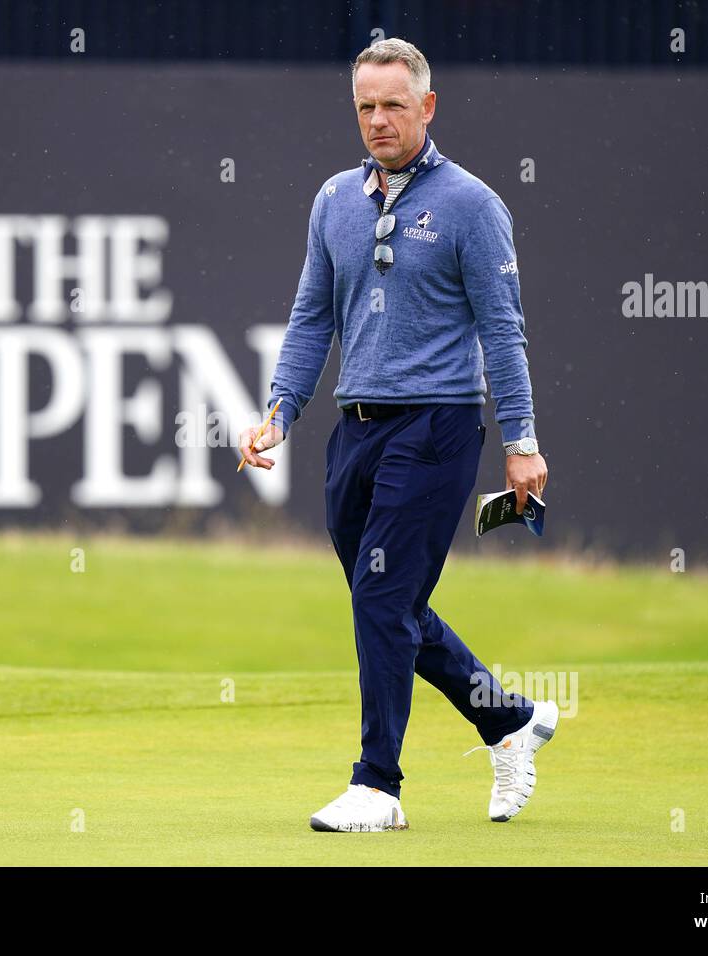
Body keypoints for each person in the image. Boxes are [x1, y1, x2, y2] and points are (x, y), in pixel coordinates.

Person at [238, 38, 558, 831]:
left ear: (428, 107)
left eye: (392, 105)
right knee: (390, 603)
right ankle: (507, 719)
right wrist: (280, 409)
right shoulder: (334, 199)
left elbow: (504, 330)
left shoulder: (474, 206)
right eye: (365, 107)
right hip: (356, 430)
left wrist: (521, 442)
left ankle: (377, 785)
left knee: (383, 597)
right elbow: (313, 316)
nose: (378, 120)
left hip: (438, 427)